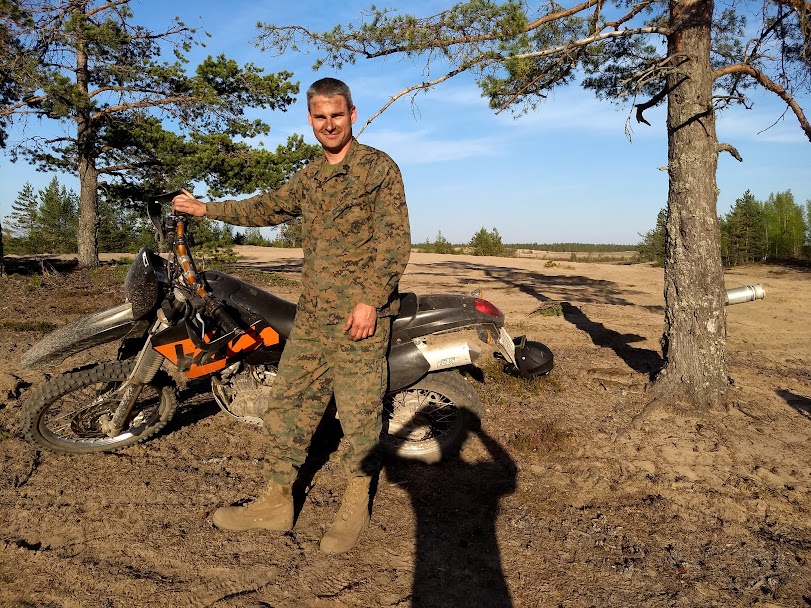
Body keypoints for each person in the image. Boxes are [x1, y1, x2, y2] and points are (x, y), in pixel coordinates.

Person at [172, 77, 411, 554]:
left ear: (352, 115)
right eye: (320, 117)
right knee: (288, 406)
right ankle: (277, 501)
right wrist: (205, 209)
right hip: (314, 317)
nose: (329, 124)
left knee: (359, 413)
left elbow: (395, 243)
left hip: (359, 318)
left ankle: (355, 502)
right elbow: (266, 207)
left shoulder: (378, 169)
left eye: (337, 116)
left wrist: (369, 300)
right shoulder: (311, 176)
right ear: (310, 119)